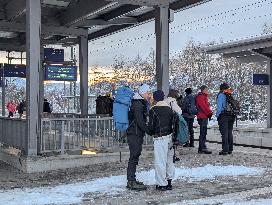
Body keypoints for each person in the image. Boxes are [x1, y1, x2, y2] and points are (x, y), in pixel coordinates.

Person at [126, 83, 152, 191]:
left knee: (135, 156)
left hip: (136, 133)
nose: (149, 95)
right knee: (134, 156)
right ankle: (131, 181)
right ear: (142, 92)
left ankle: (132, 179)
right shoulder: (137, 104)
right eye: (147, 92)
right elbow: (140, 122)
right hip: (134, 133)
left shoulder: (140, 102)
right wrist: (150, 131)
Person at [149, 90, 175, 191]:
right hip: (170, 138)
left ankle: (161, 184)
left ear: (155, 98)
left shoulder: (153, 110)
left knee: (160, 161)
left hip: (160, 138)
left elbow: (151, 127)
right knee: (169, 160)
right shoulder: (170, 109)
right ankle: (169, 182)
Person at [216, 83, 236, 155]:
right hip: (231, 116)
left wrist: (217, 115)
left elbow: (219, 107)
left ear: (221, 89)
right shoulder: (230, 94)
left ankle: (225, 150)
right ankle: (230, 149)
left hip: (223, 116)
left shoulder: (221, 95)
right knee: (229, 132)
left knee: (224, 133)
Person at [164, 89, 182, 162]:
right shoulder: (173, 101)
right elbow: (179, 112)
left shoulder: (164, 100)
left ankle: (167, 154)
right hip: (172, 123)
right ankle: (173, 155)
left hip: (165, 123)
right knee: (173, 139)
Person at [195, 85, 213, 154]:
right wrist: (209, 113)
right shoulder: (201, 97)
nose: (207, 91)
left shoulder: (203, 96)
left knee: (203, 132)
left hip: (203, 116)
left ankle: (202, 147)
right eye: (206, 90)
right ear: (203, 90)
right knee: (203, 132)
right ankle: (202, 148)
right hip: (202, 117)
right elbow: (204, 106)